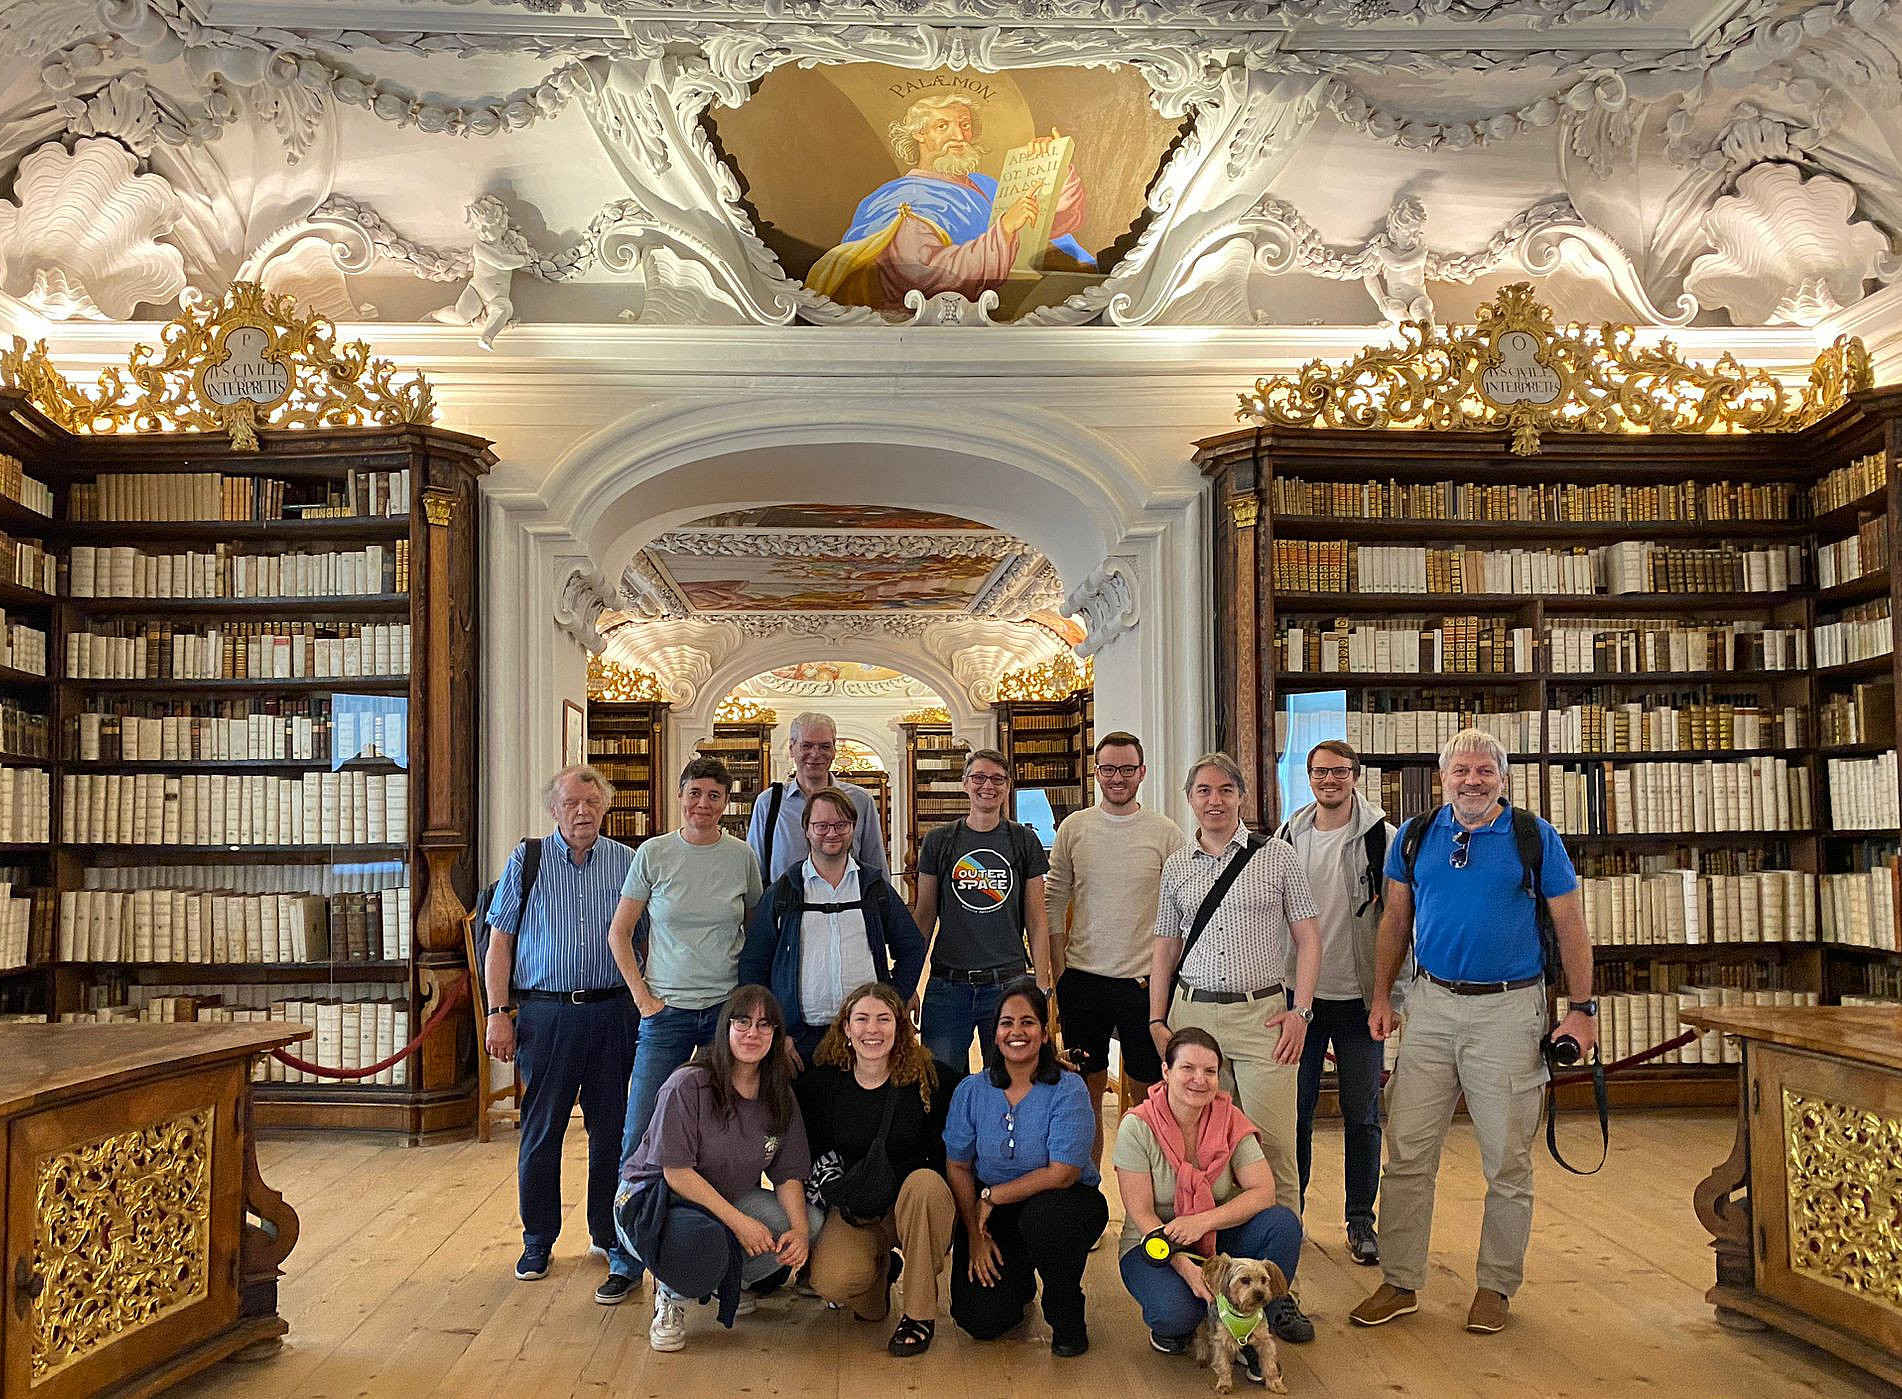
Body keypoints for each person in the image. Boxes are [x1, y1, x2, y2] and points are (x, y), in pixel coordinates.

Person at [1350, 728, 1596, 1336]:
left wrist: (1582, 1008)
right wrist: (1382, 995)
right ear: (1443, 778)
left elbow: (1570, 925)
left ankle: (1495, 1287)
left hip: (1510, 1013)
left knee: (1507, 1159)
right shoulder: (1412, 838)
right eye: (1460, 770)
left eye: (1484, 771)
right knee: (1406, 1151)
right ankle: (1400, 1279)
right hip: (1430, 1006)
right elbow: (1395, 921)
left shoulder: (1533, 839)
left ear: (1503, 779)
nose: (1472, 781)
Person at [1148, 752, 1321, 1345]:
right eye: (1202, 790)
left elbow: (1308, 937)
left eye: (1225, 789)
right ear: (1189, 798)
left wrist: (1301, 1010)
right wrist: (1156, 1017)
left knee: (1274, 1151)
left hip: (1263, 1017)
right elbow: (1166, 945)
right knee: (1201, 1153)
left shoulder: (1276, 856)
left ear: (1242, 796)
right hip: (1194, 1015)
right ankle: (1217, 1284)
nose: (1214, 800)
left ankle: (1278, 1296)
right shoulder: (1177, 866)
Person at [481, 765, 639, 1299]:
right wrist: (497, 1011)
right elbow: (499, 942)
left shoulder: (627, 862)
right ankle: (539, 1237)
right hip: (546, 1015)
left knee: (612, 1130)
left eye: (592, 803)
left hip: (615, 1010)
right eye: (572, 803)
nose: (582, 812)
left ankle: (609, 1233)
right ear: (555, 809)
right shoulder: (526, 861)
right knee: (542, 1128)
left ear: (605, 808)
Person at [616, 986, 824, 1353]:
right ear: (725, 1028)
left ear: (776, 1035)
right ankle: (670, 1296)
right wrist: (740, 1223)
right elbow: (676, 1174)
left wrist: (802, 1232)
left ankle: (723, 1279)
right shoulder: (688, 1083)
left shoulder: (779, 1094)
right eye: (742, 1022)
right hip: (652, 1200)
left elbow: (788, 1174)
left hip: (722, 1200)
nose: (752, 1033)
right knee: (704, 1238)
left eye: (764, 1024)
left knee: (809, 1223)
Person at [1115, 1027, 1304, 1367]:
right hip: (1152, 1244)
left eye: (1210, 1071)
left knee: (1282, 1224)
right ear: (1166, 1071)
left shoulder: (1229, 1119)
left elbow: (1264, 1192)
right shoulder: (1137, 1126)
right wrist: (1187, 1270)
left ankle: (1251, 1321)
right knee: (1176, 1314)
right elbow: (1142, 1214)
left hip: (1214, 1236)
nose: (1199, 1080)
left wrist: (1201, 1221)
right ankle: (1188, 1324)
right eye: (1187, 1068)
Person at [1275, 740, 1396, 1267]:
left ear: (1356, 774)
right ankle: (1291, 1214)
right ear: (1307, 776)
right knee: (1294, 1112)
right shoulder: (1287, 836)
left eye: (1340, 771)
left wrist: (1391, 994)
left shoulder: (1382, 839)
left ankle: (1360, 1220)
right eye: (1320, 772)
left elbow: (1399, 922)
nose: (1330, 780)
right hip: (1299, 999)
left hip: (1359, 999)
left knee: (1362, 1114)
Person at [610, 757, 764, 1172]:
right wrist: (643, 998)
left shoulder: (741, 857)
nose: (703, 803)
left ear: (726, 802)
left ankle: (709, 1227)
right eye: (694, 793)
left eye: (714, 795)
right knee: (641, 1124)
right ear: (679, 796)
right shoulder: (653, 853)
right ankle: (629, 1230)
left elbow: (756, 934)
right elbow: (619, 933)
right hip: (666, 1011)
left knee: (721, 1125)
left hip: (724, 1014)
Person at [807, 94, 1093, 313]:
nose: (959, 136)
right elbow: (926, 276)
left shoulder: (986, 185)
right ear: (919, 134)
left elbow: (1052, 224)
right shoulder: (902, 199)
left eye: (965, 125)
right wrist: (1004, 229)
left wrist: (1052, 164)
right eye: (943, 126)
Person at [943, 978, 1107, 1358]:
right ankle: (1018, 1285)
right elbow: (957, 1165)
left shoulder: (1069, 1089)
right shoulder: (972, 1090)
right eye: (1006, 1023)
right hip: (994, 1211)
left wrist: (993, 1196)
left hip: (1064, 1204)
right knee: (980, 1321)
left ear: (1044, 1033)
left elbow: (1063, 1173)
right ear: (995, 1033)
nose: (1016, 1032)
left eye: (1028, 1022)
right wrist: (975, 1235)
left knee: (1046, 1219)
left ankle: (1066, 1313)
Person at [1044, 729, 1185, 1166]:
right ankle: (1086, 1192)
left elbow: (1183, 905)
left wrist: (1170, 974)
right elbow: (1054, 899)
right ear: (1096, 772)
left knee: (1146, 1096)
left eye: (1127, 768)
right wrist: (1055, 970)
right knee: (1083, 1093)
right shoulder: (1075, 828)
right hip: (1082, 979)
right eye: (1109, 768)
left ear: (1142, 772)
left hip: (1144, 984)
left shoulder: (1165, 832)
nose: (1117, 777)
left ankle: (1143, 1196)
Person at [796, 982, 958, 1356]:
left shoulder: (931, 1079)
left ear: (900, 1028)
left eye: (884, 1019)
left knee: (925, 1184)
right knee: (833, 1283)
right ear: (847, 1029)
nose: (873, 1029)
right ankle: (880, 1274)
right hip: (858, 1207)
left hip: (916, 1208)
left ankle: (919, 1315)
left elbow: (987, 1089)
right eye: (862, 1019)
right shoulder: (824, 1082)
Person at [739, 786, 927, 1066]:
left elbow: (911, 946)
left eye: (841, 825)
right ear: (806, 828)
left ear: (853, 827)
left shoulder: (873, 888)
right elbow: (754, 965)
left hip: (865, 1039)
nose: (832, 833)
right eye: (822, 825)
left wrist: (893, 1000)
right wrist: (777, 1033)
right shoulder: (784, 892)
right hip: (799, 1041)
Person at [913, 748, 1052, 1069]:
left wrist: (1042, 986)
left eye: (997, 779)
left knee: (1008, 1082)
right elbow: (923, 916)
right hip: (948, 986)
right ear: (965, 783)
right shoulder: (939, 841)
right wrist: (908, 984)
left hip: (1008, 983)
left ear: (1007, 786)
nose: (987, 785)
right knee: (940, 1087)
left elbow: (1036, 917)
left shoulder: (1023, 841)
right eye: (979, 777)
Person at [746, 712, 888, 883]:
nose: (815, 754)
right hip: (785, 907)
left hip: (847, 906)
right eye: (806, 746)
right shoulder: (768, 803)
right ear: (792, 749)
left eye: (824, 746)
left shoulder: (860, 801)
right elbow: (753, 874)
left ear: (834, 750)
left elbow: (876, 868)